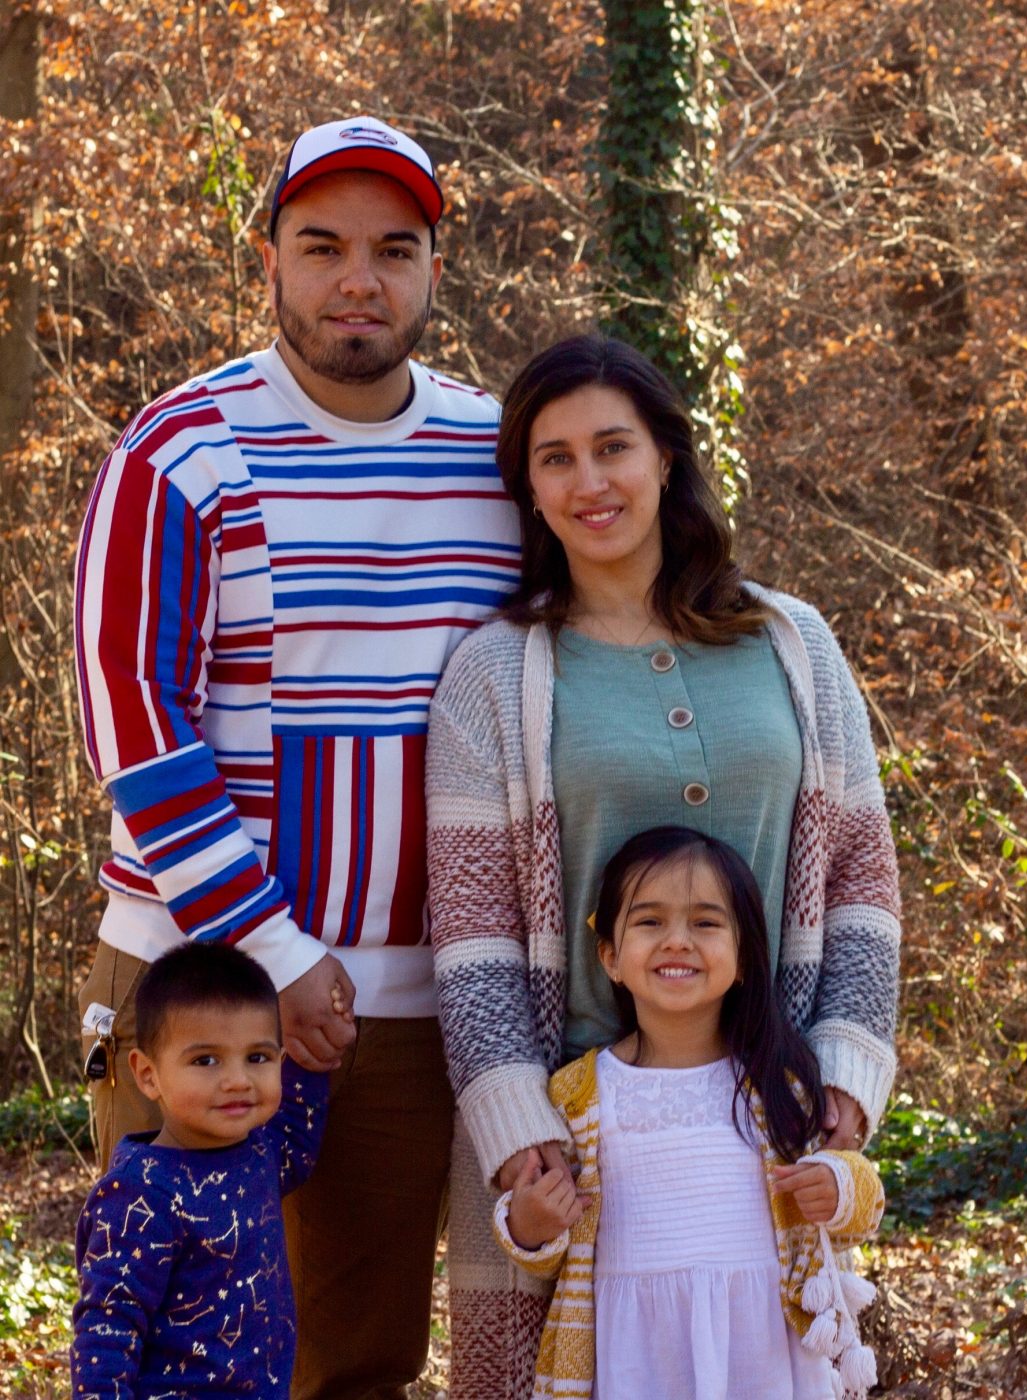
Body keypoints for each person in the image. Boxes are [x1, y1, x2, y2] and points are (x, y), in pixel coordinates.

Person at [73, 115, 521, 1399]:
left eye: (394, 249)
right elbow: (132, 717)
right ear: (268, 258)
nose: (357, 280)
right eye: (322, 246)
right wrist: (274, 949)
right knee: (169, 1350)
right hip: (201, 980)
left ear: (434, 269)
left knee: (358, 1362)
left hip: (407, 1001)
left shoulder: (496, 456)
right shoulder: (182, 451)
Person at [426, 334, 902, 1398]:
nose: (589, 482)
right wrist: (516, 1127)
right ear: (527, 489)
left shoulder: (793, 642)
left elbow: (862, 878)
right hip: (571, 1140)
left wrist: (844, 1070)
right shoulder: (491, 675)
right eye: (555, 459)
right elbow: (471, 934)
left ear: (666, 458)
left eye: (613, 447)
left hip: (765, 1115)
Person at [493, 826, 886, 1400]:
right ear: (610, 958)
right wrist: (529, 1226)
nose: (677, 941)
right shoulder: (577, 1094)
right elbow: (544, 1237)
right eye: (650, 922)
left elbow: (861, 1208)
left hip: (762, 1352)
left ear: (744, 957)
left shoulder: (780, 1084)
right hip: (635, 1355)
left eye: (705, 923)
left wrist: (839, 1187)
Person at [71, 941, 330, 1398]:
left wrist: (318, 1054)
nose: (237, 1080)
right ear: (148, 1074)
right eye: (205, 1060)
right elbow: (108, 1328)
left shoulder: (260, 1154)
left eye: (258, 1057)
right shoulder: (139, 1194)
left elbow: (298, 1141)